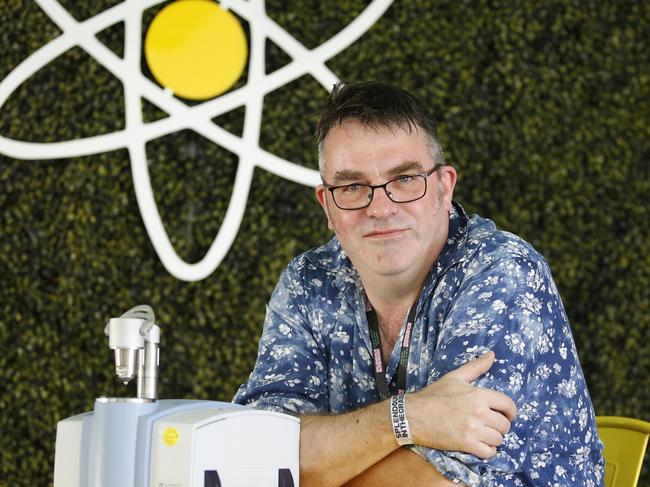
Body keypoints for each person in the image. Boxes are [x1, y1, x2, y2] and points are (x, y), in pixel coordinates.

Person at [233, 81, 604, 486]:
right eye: (353, 186)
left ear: (444, 187)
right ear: (327, 205)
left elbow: (442, 483)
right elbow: (252, 452)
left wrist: (313, 464)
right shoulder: (309, 282)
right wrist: (408, 417)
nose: (380, 207)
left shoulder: (501, 273)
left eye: (405, 179)